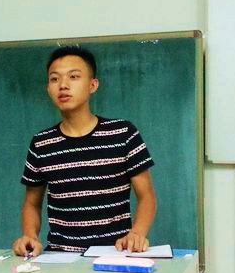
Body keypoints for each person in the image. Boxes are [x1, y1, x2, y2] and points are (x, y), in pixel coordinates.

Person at [12, 46, 156, 257]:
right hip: (60, 257)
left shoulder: (123, 133)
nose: (63, 85)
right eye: (54, 79)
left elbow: (147, 196)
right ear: (48, 88)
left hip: (114, 255)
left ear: (92, 85)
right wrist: (30, 236)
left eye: (74, 76)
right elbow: (32, 204)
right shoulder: (41, 143)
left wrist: (137, 234)